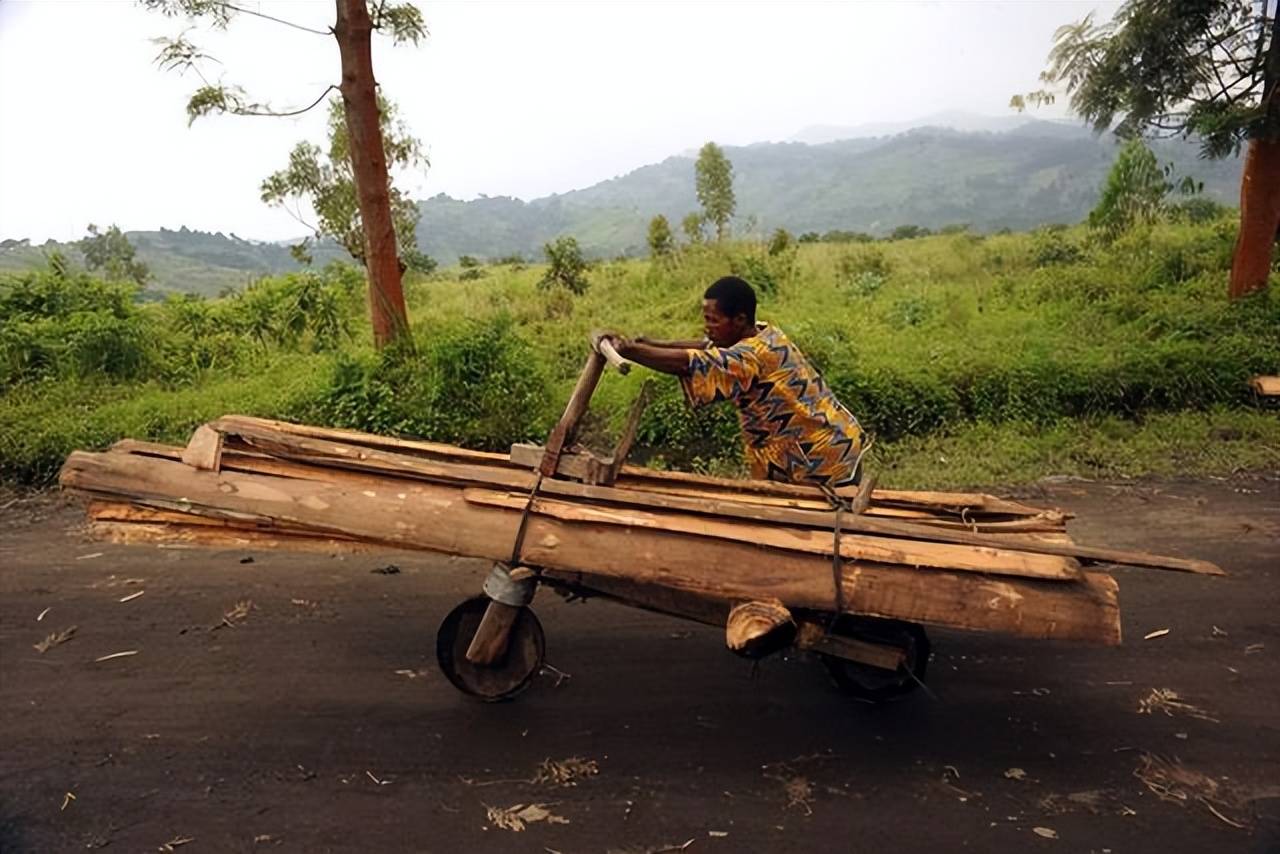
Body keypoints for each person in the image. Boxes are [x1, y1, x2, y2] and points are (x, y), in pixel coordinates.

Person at [600, 275, 866, 490]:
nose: (707, 328)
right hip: (830, 440)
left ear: (739, 320)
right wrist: (651, 344)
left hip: (823, 458)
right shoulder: (765, 332)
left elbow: (690, 362)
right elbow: (707, 348)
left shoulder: (749, 357)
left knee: (817, 536)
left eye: (713, 321)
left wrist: (632, 351)